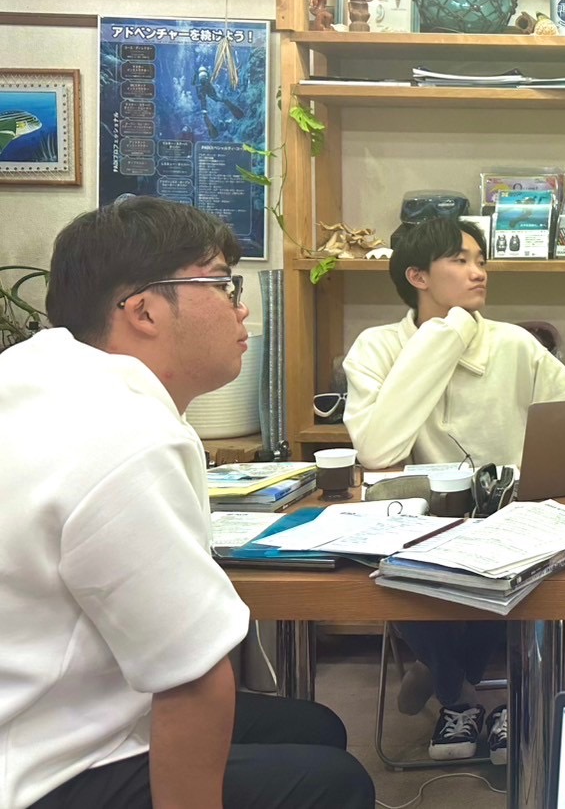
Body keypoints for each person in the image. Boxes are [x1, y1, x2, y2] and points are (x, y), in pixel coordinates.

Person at [0, 196, 374, 809]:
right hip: (38, 769)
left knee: (315, 729)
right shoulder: (127, 434)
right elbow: (193, 680)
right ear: (144, 310)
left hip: (51, 700)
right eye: (223, 284)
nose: (241, 308)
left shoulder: (36, 372)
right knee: (333, 783)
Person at [343, 216, 565, 762]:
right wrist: (446, 334)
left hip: (514, 518)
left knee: (521, 563)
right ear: (417, 276)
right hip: (419, 525)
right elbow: (379, 450)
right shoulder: (377, 348)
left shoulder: (513, 344)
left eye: (481, 260)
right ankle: (474, 697)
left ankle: (448, 683)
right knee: (397, 567)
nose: (478, 273)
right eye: (460, 260)